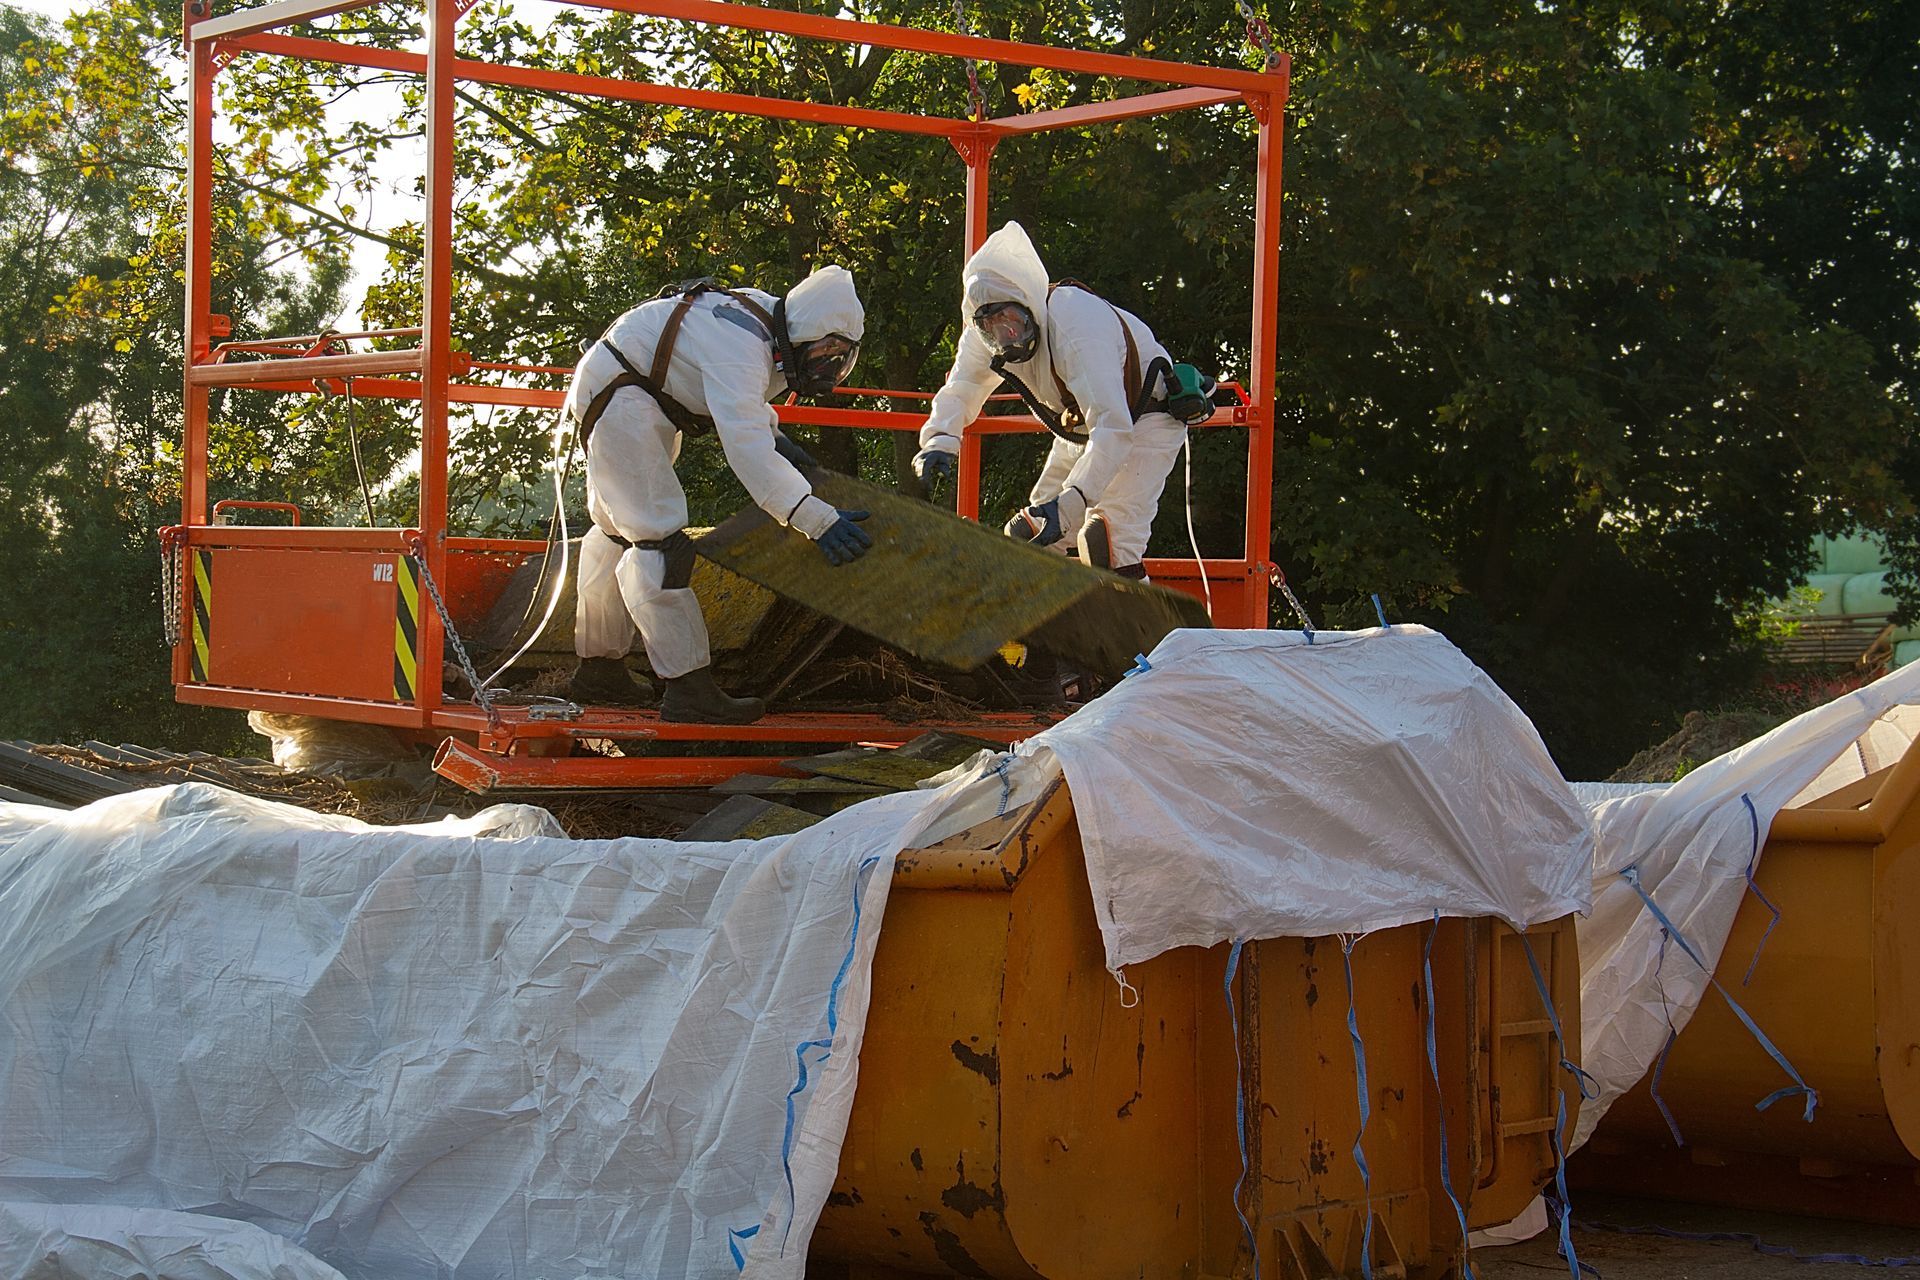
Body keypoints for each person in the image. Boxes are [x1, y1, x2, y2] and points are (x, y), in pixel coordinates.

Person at [566, 265, 872, 724]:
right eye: (826, 353)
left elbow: (743, 401)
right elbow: (745, 447)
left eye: (840, 357)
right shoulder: (743, 346)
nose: (829, 367)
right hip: (624, 398)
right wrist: (816, 519)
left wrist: (779, 441)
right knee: (658, 543)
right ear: (805, 335)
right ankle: (688, 691)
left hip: (624, 389)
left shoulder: (766, 318)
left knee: (615, 530)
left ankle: (599, 668)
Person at [911, 221, 1193, 579]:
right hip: (1083, 427)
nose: (1006, 336)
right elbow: (963, 385)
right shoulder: (982, 335)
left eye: (1011, 321)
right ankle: (1046, 632)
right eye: (993, 326)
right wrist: (940, 439)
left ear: (1029, 305)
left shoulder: (1076, 323)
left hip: (1145, 416)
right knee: (1031, 536)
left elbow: (1113, 424)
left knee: (1108, 544)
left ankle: (1151, 635)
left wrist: (1075, 498)